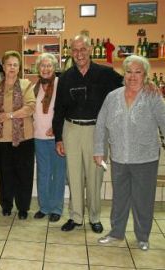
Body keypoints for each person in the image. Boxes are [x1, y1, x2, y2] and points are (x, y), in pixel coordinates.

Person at [52, 35, 123, 233]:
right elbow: (59, 110)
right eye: (75, 50)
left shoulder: (106, 73)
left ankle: (94, 217)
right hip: (71, 130)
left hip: (97, 130)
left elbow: (129, 84)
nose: (79, 54)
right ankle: (75, 217)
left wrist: (147, 85)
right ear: (70, 53)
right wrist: (58, 138)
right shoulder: (65, 77)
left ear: (90, 50)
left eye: (83, 49)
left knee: (95, 176)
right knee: (73, 175)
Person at [94, 55, 165, 251]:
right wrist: (99, 150)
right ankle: (116, 233)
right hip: (119, 157)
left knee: (143, 199)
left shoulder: (153, 96)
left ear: (145, 75)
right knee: (120, 198)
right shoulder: (113, 96)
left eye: (138, 72)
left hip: (145, 158)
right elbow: (101, 124)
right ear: (123, 73)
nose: (133, 76)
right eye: (129, 71)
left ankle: (143, 237)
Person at [0, 50, 36, 220]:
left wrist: (10, 115)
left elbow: (30, 107)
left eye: (15, 64)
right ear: (3, 67)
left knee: (24, 174)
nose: (12, 68)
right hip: (2, 139)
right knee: (5, 174)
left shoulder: (26, 84)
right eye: (9, 64)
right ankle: (6, 205)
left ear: (19, 67)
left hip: (24, 138)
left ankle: (23, 207)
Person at [32, 53, 66, 222]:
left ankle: (57, 208)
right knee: (43, 173)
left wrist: (56, 128)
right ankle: (44, 207)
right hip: (38, 138)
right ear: (38, 69)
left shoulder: (61, 84)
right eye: (42, 66)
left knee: (58, 173)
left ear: (54, 68)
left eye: (49, 65)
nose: (45, 69)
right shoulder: (35, 87)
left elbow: (66, 110)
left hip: (57, 138)